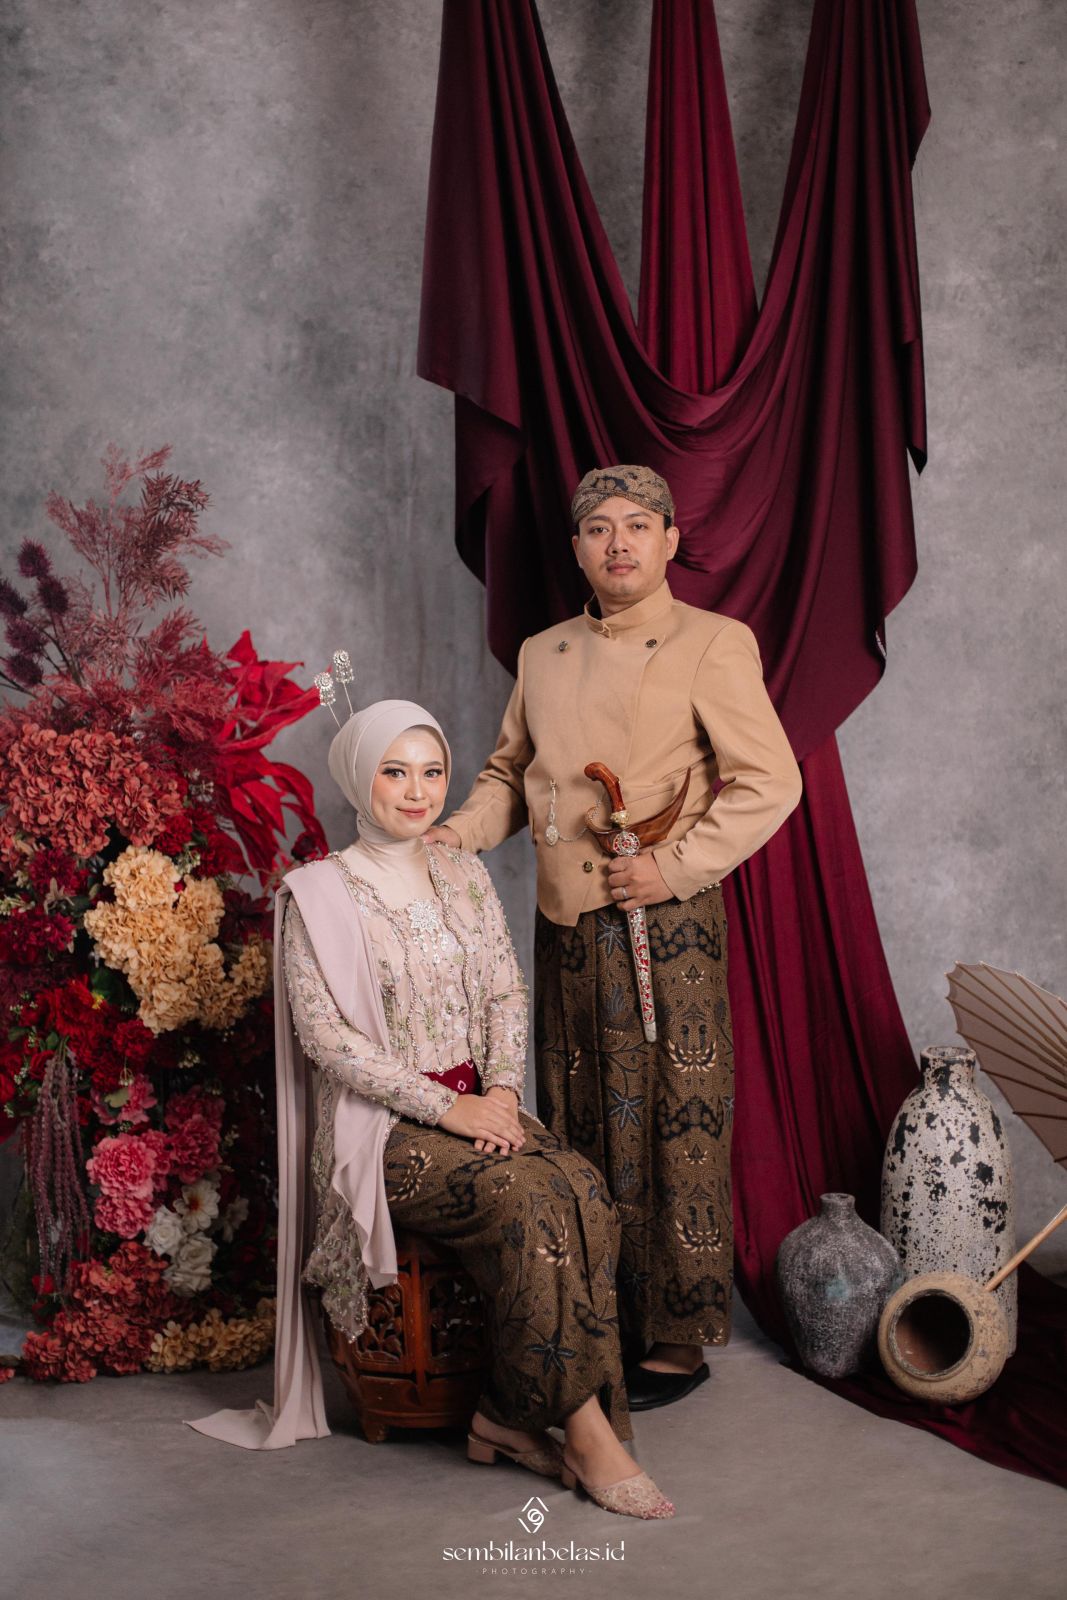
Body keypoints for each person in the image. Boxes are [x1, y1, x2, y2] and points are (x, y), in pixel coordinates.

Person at [190, 696, 674, 1520]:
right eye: (395, 772)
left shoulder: (462, 872)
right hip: (380, 1129)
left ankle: (504, 1416)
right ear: (359, 778)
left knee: (584, 1190)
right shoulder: (315, 894)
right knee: (524, 1199)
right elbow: (328, 1041)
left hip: (480, 1104)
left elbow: (503, 992)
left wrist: (502, 1091)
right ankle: (585, 1430)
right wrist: (446, 1110)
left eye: (433, 772)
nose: (417, 793)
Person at [429, 466, 803, 1410]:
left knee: (674, 1122)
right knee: (582, 1119)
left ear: (671, 539)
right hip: (564, 921)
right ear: (576, 548)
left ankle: (676, 1338)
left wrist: (674, 868)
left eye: (638, 524)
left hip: (661, 921)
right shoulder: (543, 651)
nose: (619, 542)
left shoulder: (712, 641)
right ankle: (600, 1317)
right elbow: (509, 776)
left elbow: (770, 780)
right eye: (598, 528)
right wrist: (454, 836)